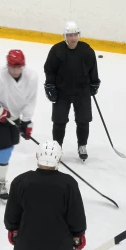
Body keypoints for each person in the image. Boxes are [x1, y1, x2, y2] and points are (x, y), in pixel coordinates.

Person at [0, 49, 38, 200]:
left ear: (23, 65)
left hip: (14, 116)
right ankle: (0, 182)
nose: (15, 70)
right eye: (12, 67)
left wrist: (27, 121)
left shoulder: (32, 77)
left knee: (10, 145)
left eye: (18, 67)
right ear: (7, 65)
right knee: (4, 149)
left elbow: (30, 100)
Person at [43, 21, 100, 161]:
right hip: (62, 92)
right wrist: (50, 85)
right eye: (70, 35)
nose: (73, 38)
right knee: (59, 121)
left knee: (83, 120)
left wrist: (94, 83)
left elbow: (93, 69)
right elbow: (49, 69)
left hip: (82, 91)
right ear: (65, 36)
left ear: (78, 35)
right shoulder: (56, 50)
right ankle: (57, 147)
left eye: (75, 35)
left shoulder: (87, 50)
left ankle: (82, 145)